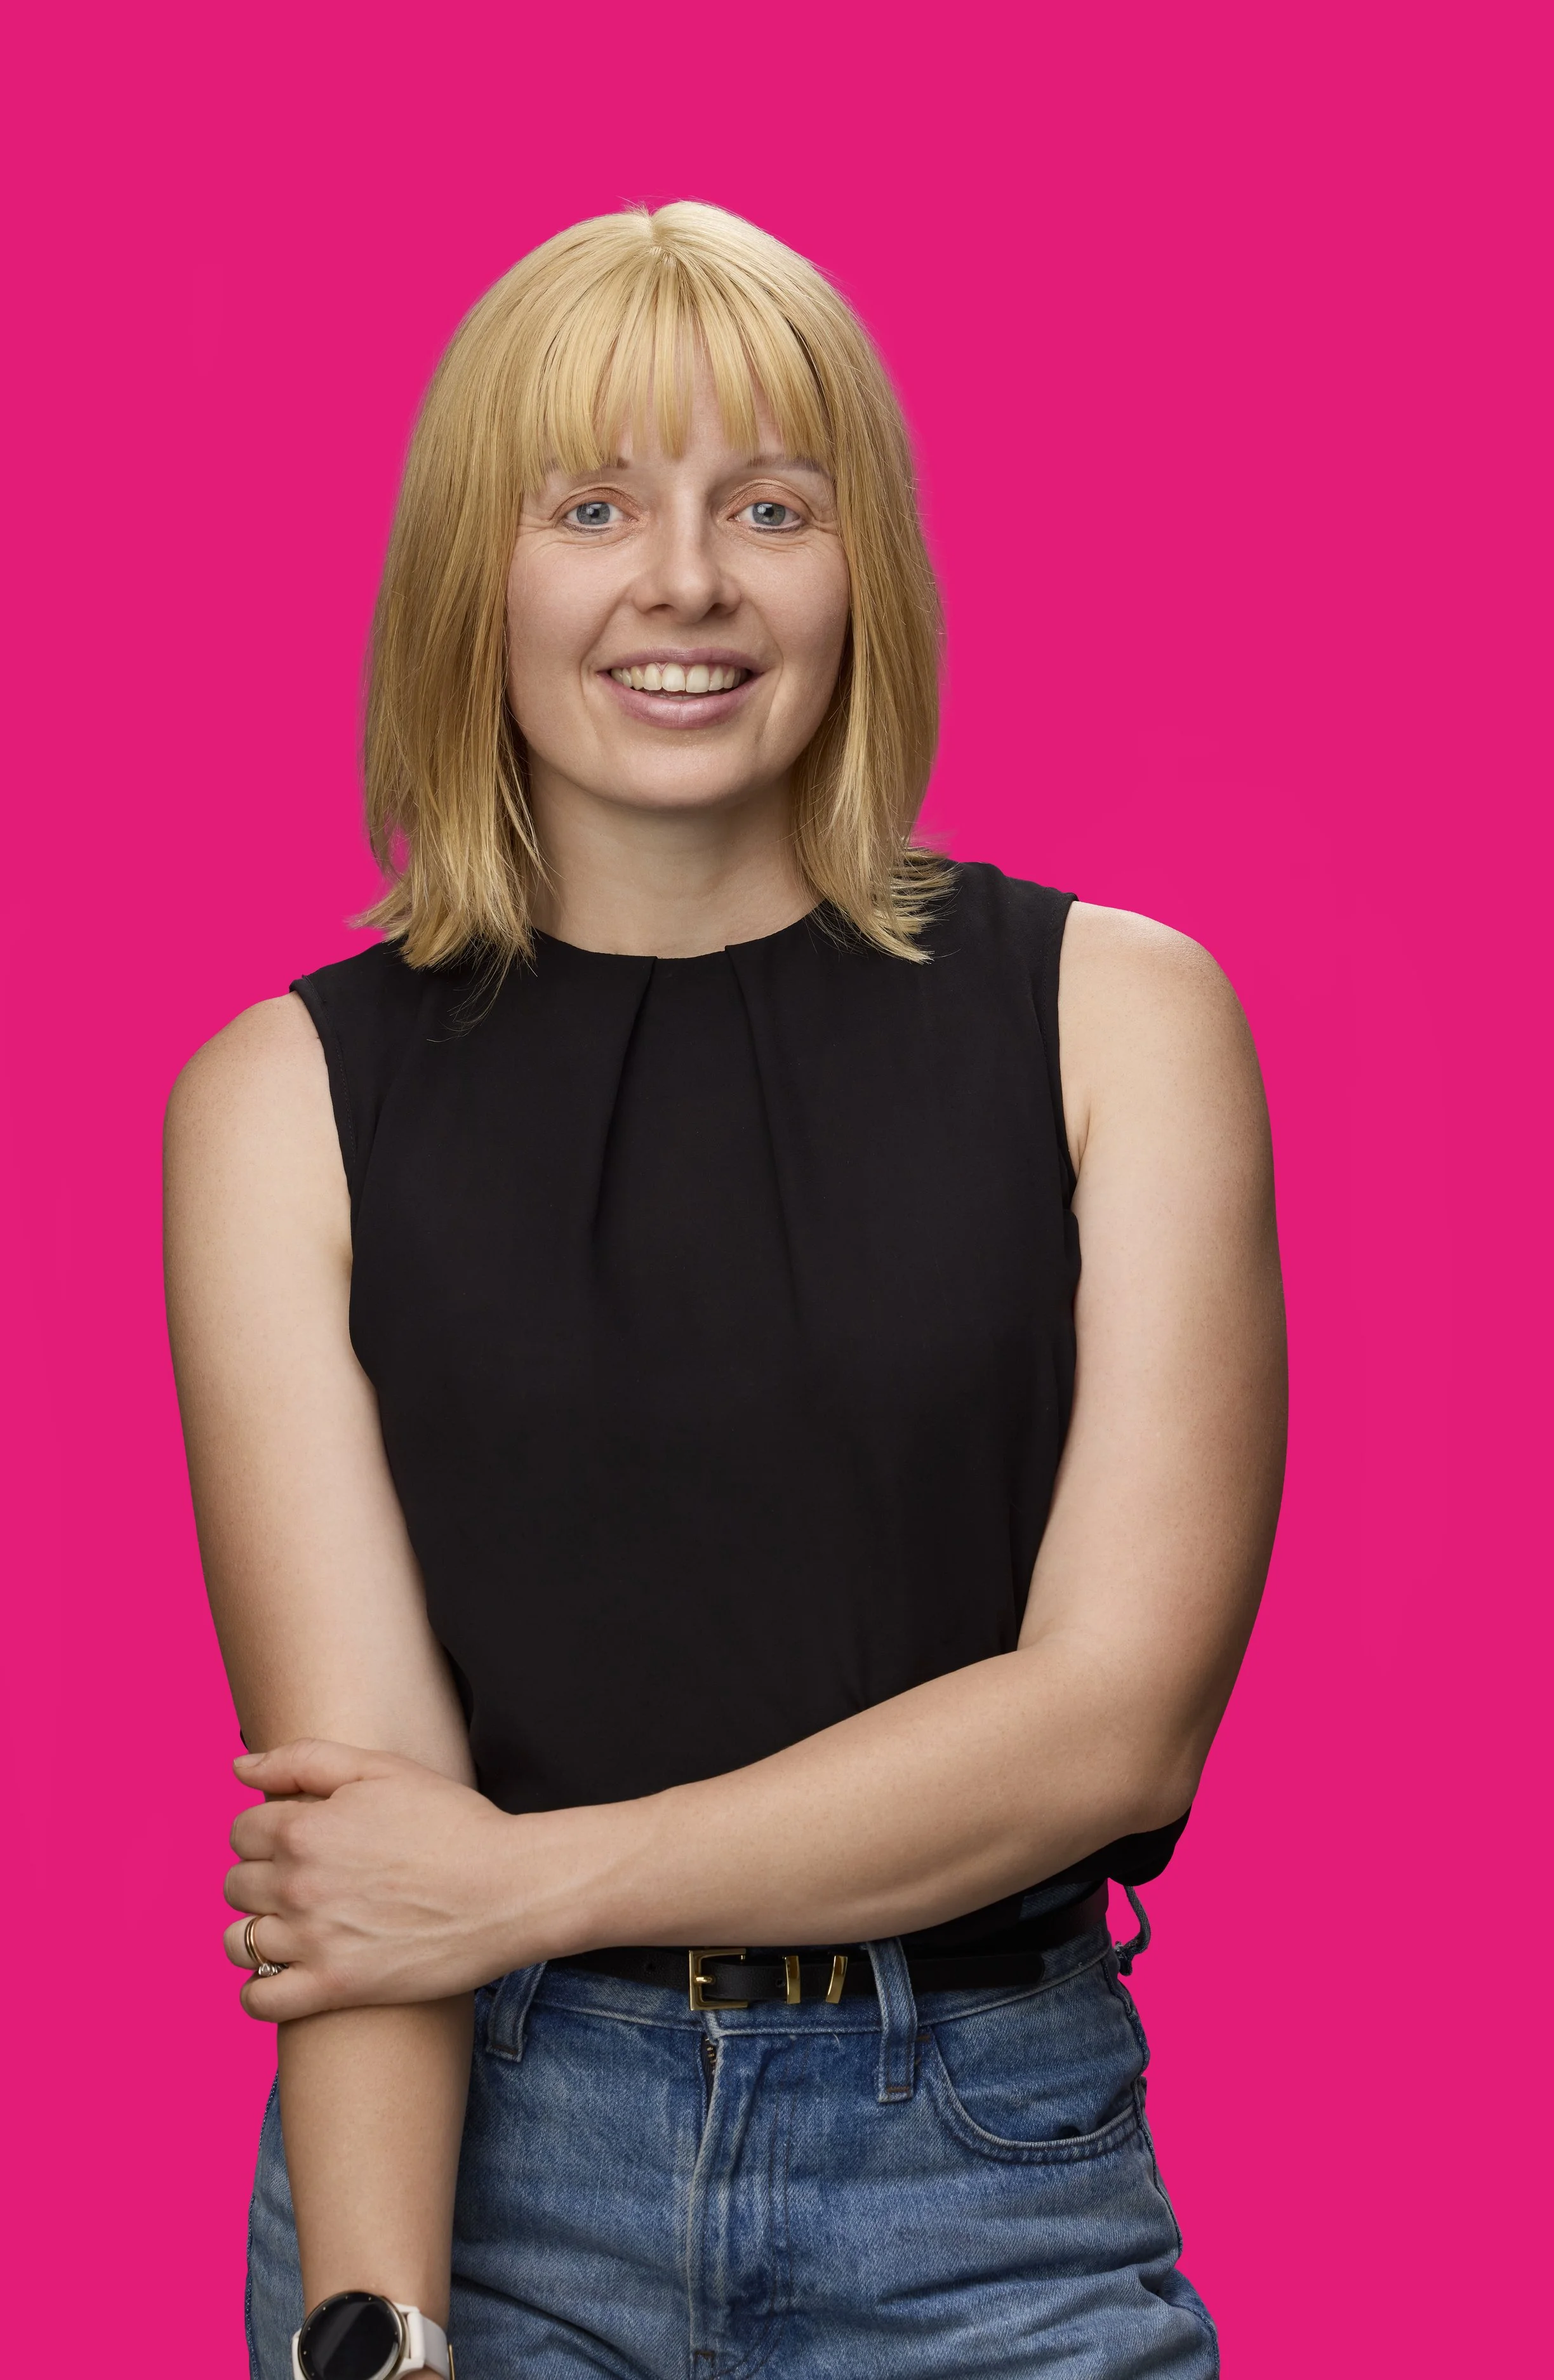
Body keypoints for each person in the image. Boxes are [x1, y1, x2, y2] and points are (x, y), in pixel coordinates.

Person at [164, 201, 1286, 2380]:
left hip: (977, 2172)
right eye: (591, 507)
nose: (683, 581)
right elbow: (364, 1839)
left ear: (862, 573)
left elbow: (1110, 1717)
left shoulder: (1117, 1018)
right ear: (475, 575)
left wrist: (528, 1881)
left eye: (768, 507)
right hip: (487, 2173)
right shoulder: (281, 1099)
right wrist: (382, 2332)